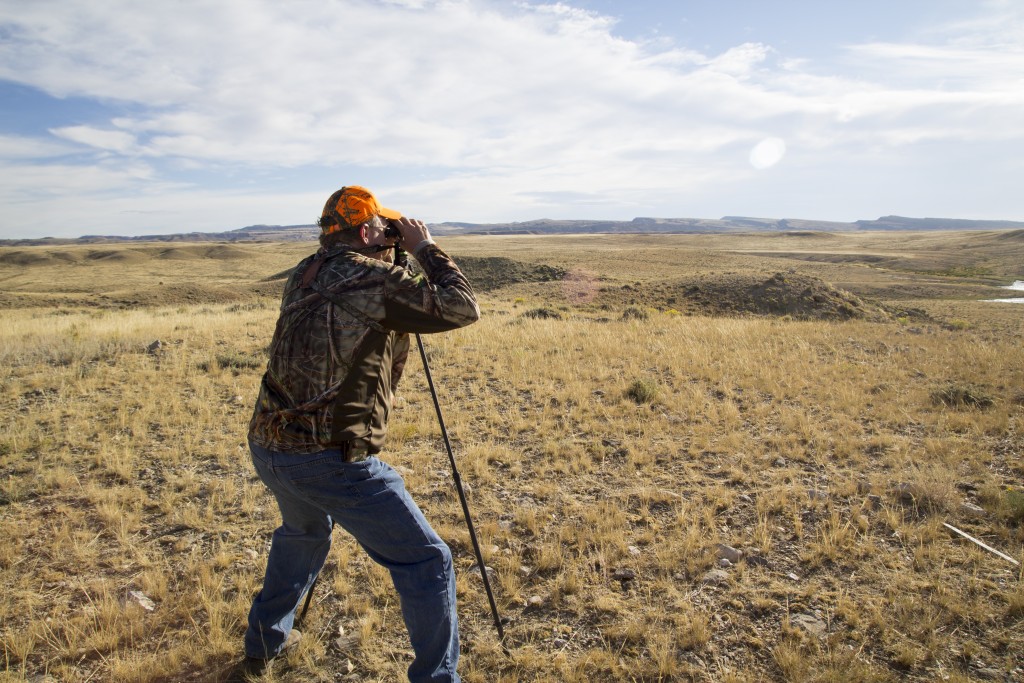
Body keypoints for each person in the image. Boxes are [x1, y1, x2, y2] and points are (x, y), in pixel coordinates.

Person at [241, 186, 479, 682]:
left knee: (304, 533)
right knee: (427, 560)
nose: (388, 235)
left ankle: (263, 643)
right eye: (381, 227)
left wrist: (391, 256)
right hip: (329, 458)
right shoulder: (369, 276)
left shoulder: (306, 270)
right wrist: (423, 248)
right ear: (367, 230)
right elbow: (460, 307)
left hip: (270, 443)